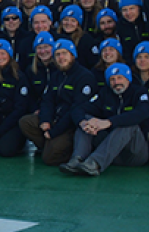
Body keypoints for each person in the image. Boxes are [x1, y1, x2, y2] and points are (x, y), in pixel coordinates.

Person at [60, 65, 149, 176]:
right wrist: (83, 123)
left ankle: (95, 163)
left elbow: (142, 112)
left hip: (134, 154)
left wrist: (108, 122)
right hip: (111, 153)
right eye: (112, 79)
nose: (116, 82)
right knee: (89, 119)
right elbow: (79, 108)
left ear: (128, 78)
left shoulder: (140, 92)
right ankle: (77, 159)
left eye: (119, 78)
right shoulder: (105, 93)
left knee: (128, 124)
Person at [20, 38, 97, 166]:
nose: (61, 58)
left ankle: (66, 148)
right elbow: (47, 100)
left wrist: (53, 132)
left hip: (70, 125)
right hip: (55, 119)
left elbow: (76, 108)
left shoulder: (84, 76)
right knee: (25, 122)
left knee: (48, 159)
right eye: (57, 54)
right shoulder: (57, 75)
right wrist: (46, 120)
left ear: (72, 55)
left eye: (64, 53)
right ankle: (51, 145)